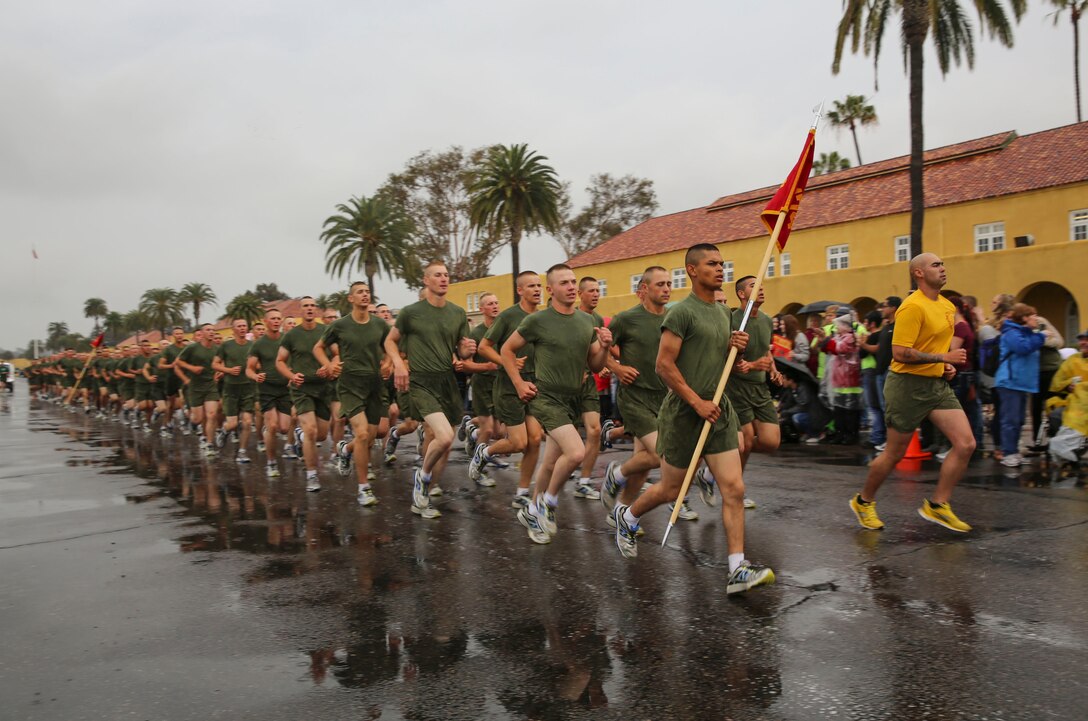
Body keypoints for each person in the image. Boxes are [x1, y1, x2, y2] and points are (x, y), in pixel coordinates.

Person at [611, 243, 774, 596]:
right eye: (712, 264)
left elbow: (717, 355)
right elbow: (664, 366)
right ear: (692, 270)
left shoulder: (723, 312)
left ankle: (737, 569)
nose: (720, 269)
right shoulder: (681, 313)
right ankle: (628, 516)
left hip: (720, 410)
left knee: (734, 488)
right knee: (672, 488)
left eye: (722, 264)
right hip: (686, 413)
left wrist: (735, 345)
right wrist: (696, 402)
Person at [849, 254, 975, 533]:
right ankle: (863, 501)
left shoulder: (945, 305)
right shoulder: (911, 307)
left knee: (966, 444)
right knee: (894, 454)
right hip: (906, 385)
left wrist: (944, 366)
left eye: (943, 264)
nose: (943, 269)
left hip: (935, 385)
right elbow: (900, 353)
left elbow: (932, 346)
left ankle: (938, 505)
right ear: (918, 273)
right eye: (935, 265)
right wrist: (944, 356)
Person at [501, 263, 612, 545]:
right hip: (546, 397)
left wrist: (606, 347)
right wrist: (518, 383)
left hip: (572, 399)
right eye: (564, 283)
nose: (572, 287)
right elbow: (506, 349)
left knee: (551, 462)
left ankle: (533, 509)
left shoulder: (586, 321)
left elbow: (595, 365)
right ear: (551, 290)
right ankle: (548, 503)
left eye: (573, 281)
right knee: (575, 453)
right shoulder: (538, 321)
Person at [385, 261, 476, 520]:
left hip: (446, 382)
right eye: (437, 275)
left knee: (443, 446)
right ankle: (422, 478)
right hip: (421, 382)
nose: (444, 279)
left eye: (447, 275)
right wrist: (399, 364)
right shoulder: (411, 313)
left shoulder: (457, 313)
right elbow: (389, 341)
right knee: (445, 436)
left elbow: (460, 350)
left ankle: (425, 491)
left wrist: (466, 351)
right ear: (426, 281)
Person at [698, 275, 784, 509]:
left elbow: (766, 351)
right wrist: (752, 366)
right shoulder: (731, 318)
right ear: (741, 294)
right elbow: (729, 358)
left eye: (761, 285)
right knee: (744, 441)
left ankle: (711, 473)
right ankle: (735, 488)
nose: (760, 289)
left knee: (771, 441)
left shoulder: (767, 320)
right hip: (736, 387)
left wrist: (772, 368)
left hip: (760, 388)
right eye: (753, 286)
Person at [601, 266, 674, 521]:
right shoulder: (626, 318)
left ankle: (620, 510)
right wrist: (616, 368)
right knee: (657, 455)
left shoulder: (674, 317)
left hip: (663, 398)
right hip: (634, 397)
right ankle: (616, 474)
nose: (666, 289)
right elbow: (601, 352)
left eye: (669, 283)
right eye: (660, 284)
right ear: (644, 289)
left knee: (642, 464)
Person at [470, 271, 545, 508]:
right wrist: (507, 362)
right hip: (509, 385)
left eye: (539, 285)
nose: (536, 289)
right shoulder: (508, 317)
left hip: (535, 384)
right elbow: (484, 347)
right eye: (530, 286)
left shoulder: (544, 317)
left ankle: (522, 492)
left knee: (534, 439)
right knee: (519, 443)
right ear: (520, 290)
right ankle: (485, 452)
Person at [316, 282, 390, 507]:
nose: (365, 295)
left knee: (373, 434)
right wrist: (329, 364)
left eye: (367, 292)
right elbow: (318, 347)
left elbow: (391, 349)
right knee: (362, 434)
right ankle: (363, 488)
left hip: (375, 385)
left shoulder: (380, 324)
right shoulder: (339, 325)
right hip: (350, 386)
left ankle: (344, 450)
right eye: (360, 292)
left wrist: (388, 363)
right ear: (351, 298)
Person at [276, 296, 335, 492]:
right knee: (310, 430)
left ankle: (301, 436)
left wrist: (329, 367)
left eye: (312, 305)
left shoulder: (325, 331)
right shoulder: (291, 335)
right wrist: (291, 376)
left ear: (316, 310)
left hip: (323, 388)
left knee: (321, 435)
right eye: (305, 306)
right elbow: (280, 361)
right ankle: (311, 474)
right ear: (300, 311)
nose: (309, 308)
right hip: (301, 389)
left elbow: (337, 354)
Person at [993, 303, 1046, 468]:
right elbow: (1023, 348)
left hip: (1021, 383)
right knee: (1011, 419)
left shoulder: (1027, 333)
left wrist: (1037, 334)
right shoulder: (1011, 333)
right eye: (1033, 315)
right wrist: (1041, 336)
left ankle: (1014, 451)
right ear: (1024, 318)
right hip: (1010, 382)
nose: (1036, 319)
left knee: (1020, 420)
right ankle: (1008, 453)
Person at [459, 293, 501, 484]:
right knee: (489, 428)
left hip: (500, 385)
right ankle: (478, 469)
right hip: (482, 385)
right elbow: (466, 365)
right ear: (482, 309)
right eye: (490, 304)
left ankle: (470, 429)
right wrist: (487, 367)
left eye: (496, 303)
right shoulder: (475, 335)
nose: (494, 306)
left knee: (500, 432)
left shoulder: (503, 330)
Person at [571, 277, 606, 500]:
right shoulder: (569, 316)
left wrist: (603, 365)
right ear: (580, 294)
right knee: (561, 440)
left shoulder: (598, 319)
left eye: (598, 290)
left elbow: (600, 351)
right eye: (591, 291)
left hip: (588, 385)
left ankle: (583, 481)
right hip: (565, 386)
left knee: (594, 431)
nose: (596, 294)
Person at [248, 308, 292, 478]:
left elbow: (293, 361)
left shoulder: (286, 340)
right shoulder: (258, 344)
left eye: (278, 318)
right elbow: (249, 369)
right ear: (266, 321)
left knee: (284, 428)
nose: (276, 321)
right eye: (272, 318)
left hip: (285, 390)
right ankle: (271, 462)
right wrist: (255, 376)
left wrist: (291, 375)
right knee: (272, 426)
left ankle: (274, 434)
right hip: (266, 390)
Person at [212, 318, 255, 463]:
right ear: (233, 330)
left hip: (248, 388)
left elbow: (259, 363)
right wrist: (228, 370)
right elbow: (215, 364)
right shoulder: (226, 346)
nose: (243, 328)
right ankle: (224, 431)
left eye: (244, 326)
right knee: (233, 424)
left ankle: (242, 452)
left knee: (248, 422)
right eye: (239, 326)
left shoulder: (252, 345)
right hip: (231, 389)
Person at [977, 293, 1015, 457]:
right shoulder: (991, 324)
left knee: (1003, 411)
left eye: (994, 301)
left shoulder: (1005, 322)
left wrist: (980, 321)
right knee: (1001, 411)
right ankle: (1000, 445)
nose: (991, 304)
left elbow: (994, 340)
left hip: (1003, 371)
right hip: (996, 374)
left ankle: (1004, 445)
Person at [174, 325, 221, 456]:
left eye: (213, 330)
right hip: (195, 387)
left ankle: (209, 443)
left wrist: (219, 373)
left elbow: (220, 364)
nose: (211, 332)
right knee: (198, 418)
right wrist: (192, 368)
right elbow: (178, 362)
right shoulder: (192, 348)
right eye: (208, 330)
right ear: (201, 333)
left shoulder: (217, 349)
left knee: (211, 415)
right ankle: (189, 419)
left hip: (211, 386)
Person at [1047, 330, 1088, 463]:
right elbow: (1057, 382)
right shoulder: (1073, 360)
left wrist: (1082, 387)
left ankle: (1062, 445)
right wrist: (1068, 385)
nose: (1084, 343)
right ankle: (1065, 447)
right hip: (1073, 402)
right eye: (1081, 339)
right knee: (1056, 415)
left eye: (1087, 340)